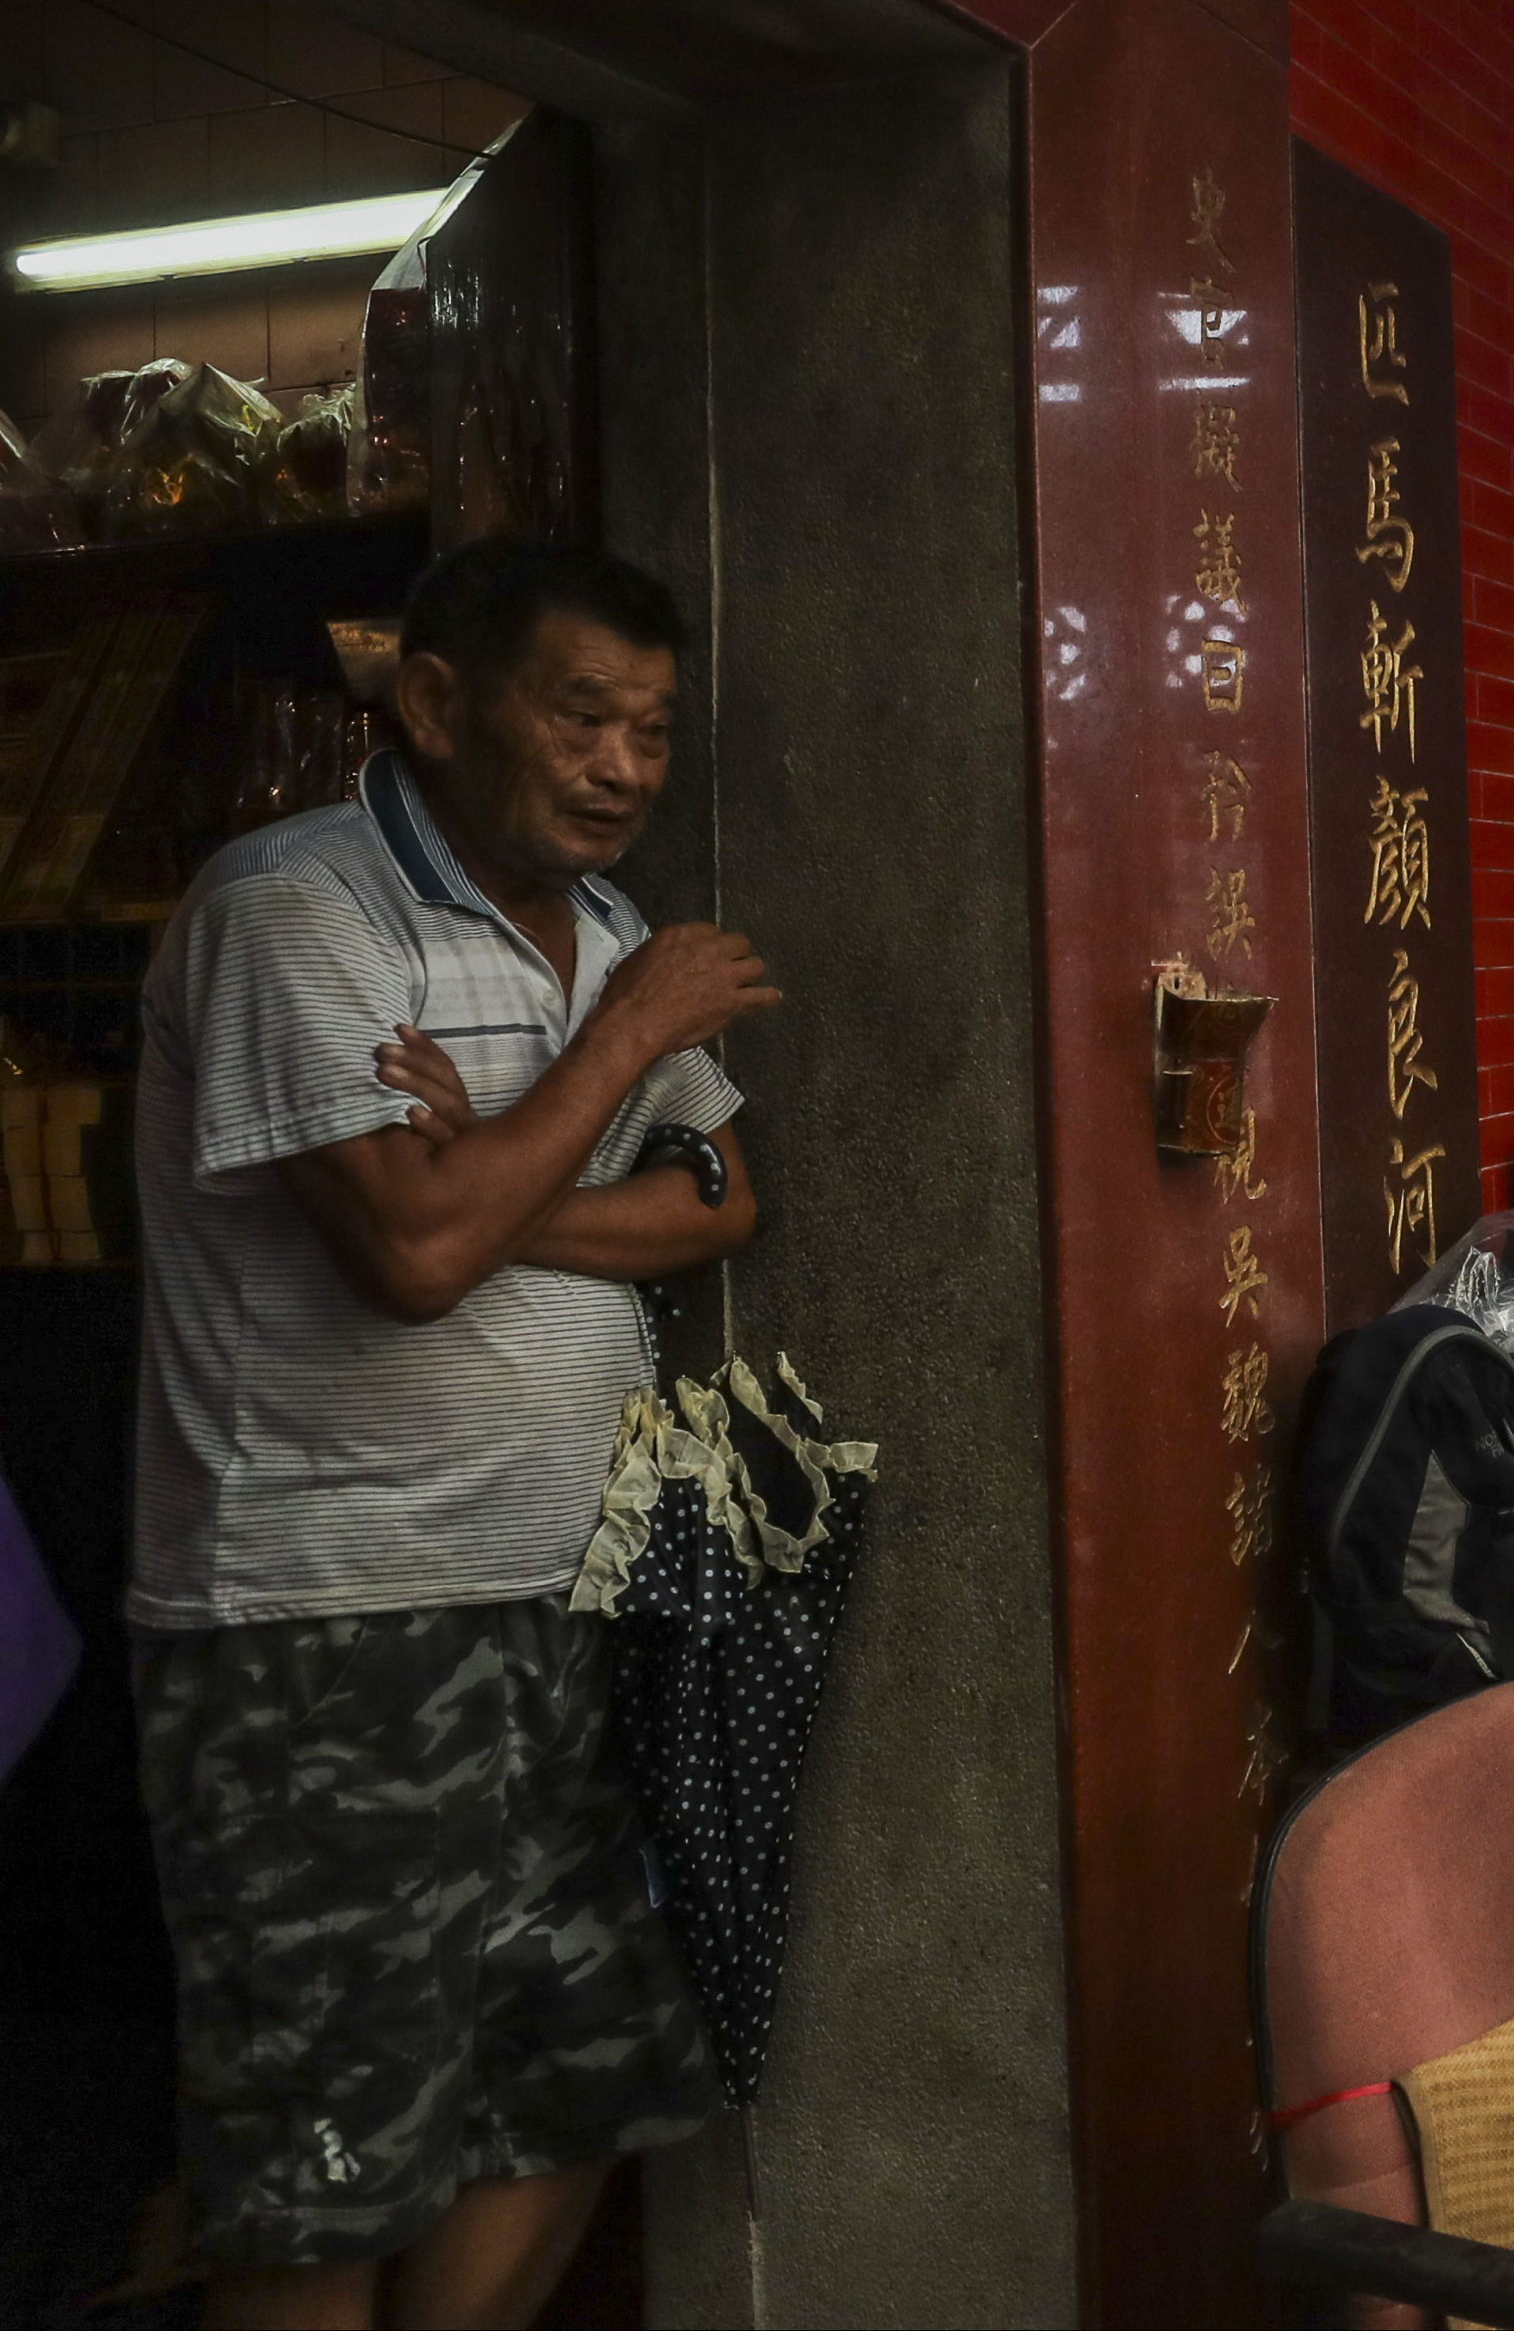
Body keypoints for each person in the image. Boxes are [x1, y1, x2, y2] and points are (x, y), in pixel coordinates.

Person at [127, 537, 778, 2330]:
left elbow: (719, 1194)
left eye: (650, 728)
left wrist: (497, 1160)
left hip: (562, 1600)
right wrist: (612, 1055)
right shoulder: (295, 912)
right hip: (320, 1629)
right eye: (582, 716)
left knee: (581, 2078)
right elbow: (412, 1251)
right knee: (326, 2163)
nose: (624, 769)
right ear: (432, 702)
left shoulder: (608, 925)